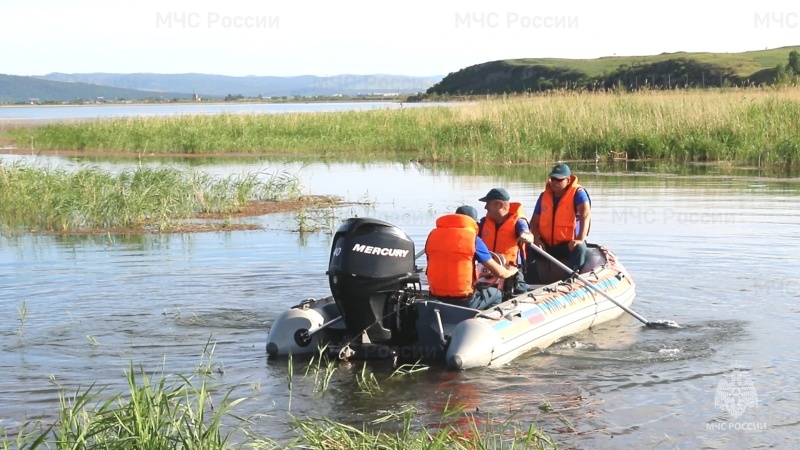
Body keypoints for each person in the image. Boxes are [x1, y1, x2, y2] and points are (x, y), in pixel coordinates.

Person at [425, 205, 518, 310]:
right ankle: (483, 321)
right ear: (472, 221)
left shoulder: (433, 236)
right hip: (464, 301)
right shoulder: (473, 239)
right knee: (496, 294)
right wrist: (511, 271)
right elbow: (500, 273)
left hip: (435, 297)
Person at [528, 163, 592, 282]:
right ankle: (531, 283)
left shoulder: (578, 193)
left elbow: (585, 214)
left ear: (568, 180)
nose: (554, 182)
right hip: (546, 245)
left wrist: (580, 238)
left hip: (568, 244)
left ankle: (569, 282)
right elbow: (533, 222)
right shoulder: (543, 196)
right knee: (528, 246)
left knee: (580, 248)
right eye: (553, 178)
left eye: (559, 179)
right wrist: (537, 239)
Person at [477, 187, 534, 292]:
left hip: (511, 270)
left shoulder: (518, 222)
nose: (485, 207)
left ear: (499, 205)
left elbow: (527, 234)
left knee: (519, 290)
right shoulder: (484, 222)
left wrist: (527, 236)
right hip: (488, 269)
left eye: (488, 203)